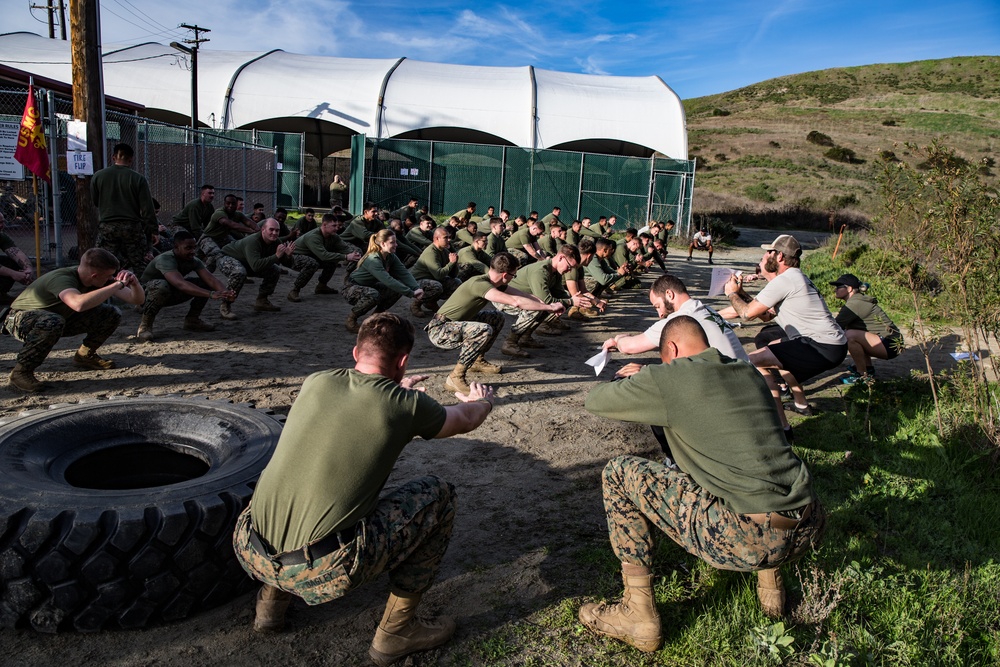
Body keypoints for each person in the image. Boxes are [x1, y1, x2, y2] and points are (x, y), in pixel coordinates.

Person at [233, 313, 495, 664]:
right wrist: (482, 401)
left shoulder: (317, 381)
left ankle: (270, 608)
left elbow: (361, 407)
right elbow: (464, 421)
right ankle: (396, 632)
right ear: (403, 361)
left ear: (357, 351)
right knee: (438, 496)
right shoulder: (406, 405)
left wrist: (397, 396)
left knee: (299, 480)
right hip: (323, 569)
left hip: (249, 548)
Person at [579, 316, 825, 652]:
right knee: (746, 461)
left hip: (747, 538)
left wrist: (648, 375)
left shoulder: (668, 378)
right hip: (808, 524)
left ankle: (638, 615)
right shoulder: (745, 371)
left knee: (620, 473)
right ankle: (772, 591)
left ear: (672, 349)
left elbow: (597, 400)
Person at [724, 234, 847, 435]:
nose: (765, 256)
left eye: (768, 252)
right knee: (768, 348)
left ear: (779, 256)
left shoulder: (786, 280)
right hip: (828, 344)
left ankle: (780, 427)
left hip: (820, 345)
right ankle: (794, 410)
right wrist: (742, 293)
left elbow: (746, 314)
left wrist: (731, 293)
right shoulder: (794, 277)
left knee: (749, 361)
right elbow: (764, 315)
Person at [3, 248, 144, 392]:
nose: (111, 278)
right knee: (53, 321)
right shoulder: (63, 278)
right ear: (94, 275)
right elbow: (78, 304)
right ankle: (20, 372)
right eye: (109, 276)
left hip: (55, 319)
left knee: (111, 313)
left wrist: (134, 284)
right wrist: (117, 285)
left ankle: (85, 356)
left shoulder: (99, 279)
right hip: (19, 319)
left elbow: (136, 299)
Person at [426, 252, 564, 392]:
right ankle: (455, 377)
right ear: (505, 275)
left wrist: (547, 304)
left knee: (496, 317)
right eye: (513, 275)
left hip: (455, 324)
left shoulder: (494, 282)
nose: (513, 278)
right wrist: (548, 307)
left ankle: (476, 361)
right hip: (440, 329)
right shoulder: (480, 284)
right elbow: (515, 302)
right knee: (483, 329)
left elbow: (523, 295)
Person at [137, 230, 235, 341]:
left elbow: (211, 280)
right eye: (188, 248)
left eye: (194, 248)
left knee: (204, 283)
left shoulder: (193, 260)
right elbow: (180, 284)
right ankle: (145, 325)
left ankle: (192, 320)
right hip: (144, 296)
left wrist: (226, 294)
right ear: (176, 247)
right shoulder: (165, 259)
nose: (193, 251)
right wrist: (211, 294)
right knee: (161, 285)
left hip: (169, 292)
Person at [493, 245, 589, 356]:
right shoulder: (541, 270)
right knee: (537, 308)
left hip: (521, 298)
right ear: (561, 258)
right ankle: (510, 343)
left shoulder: (554, 272)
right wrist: (571, 302)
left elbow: (561, 295)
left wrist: (579, 299)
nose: (569, 270)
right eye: (569, 266)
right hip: (503, 297)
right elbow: (546, 300)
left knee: (550, 304)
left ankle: (525, 337)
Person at [343, 229, 431, 333]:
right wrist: (411, 293)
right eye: (392, 242)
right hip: (351, 287)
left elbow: (403, 273)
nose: (396, 245)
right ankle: (351, 320)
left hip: (370, 285)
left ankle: (374, 319)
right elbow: (388, 280)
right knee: (373, 294)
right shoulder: (373, 259)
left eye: (395, 242)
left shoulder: (390, 256)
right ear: (383, 244)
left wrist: (416, 287)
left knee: (395, 289)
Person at [90, 143, 158, 273]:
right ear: (131, 159)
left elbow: (96, 201)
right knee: (139, 262)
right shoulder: (138, 178)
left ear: (113, 157)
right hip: (131, 226)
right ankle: (142, 289)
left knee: (103, 260)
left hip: (107, 225)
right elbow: (147, 208)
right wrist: (154, 230)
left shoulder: (98, 176)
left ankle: (104, 289)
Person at [217, 218, 301, 318]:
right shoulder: (253, 241)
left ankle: (262, 301)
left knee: (275, 270)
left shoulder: (276, 242)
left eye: (277, 230)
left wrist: (288, 255)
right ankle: (225, 305)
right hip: (226, 257)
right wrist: (276, 256)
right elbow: (256, 267)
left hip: (247, 262)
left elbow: (288, 264)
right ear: (263, 230)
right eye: (271, 229)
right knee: (239, 272)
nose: (274, 233)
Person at [830, 273, 903, 383]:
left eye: (839, 287)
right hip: (889, 342)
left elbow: (835, 327)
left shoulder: (854, 304)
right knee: (853, 334)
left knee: (850, 335)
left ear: (849, 289)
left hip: (890, 345)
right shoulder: (857, 301)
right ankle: (867, 369)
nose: (835, 290)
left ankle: (862, 375)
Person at [293, 213, 363, 295]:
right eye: (334, 226)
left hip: (313, 256)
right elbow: (324, 256)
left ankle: (321, 286)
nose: (337, 228)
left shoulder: (333, 236)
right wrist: (346, 257)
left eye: (337, 225)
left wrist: (355, 254)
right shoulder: (314, 236)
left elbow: (345, 248)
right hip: (293, 257)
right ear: (324, 225)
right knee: (312, 263)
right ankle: (295, 290)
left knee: (332, 260)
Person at [199, 194, 259, 271]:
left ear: (236, 204)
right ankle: (206, 276)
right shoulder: (219, 213)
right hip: (208, 238)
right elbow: (229, 224)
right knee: (214, 254)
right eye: (228, 203)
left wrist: (258, 230)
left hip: (223, 238)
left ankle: (240, 274)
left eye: (233, 204)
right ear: (224, 203)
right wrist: (251, 231)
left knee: (238, 250)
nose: (230, 206)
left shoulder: (238, 214)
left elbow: (248, 222)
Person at [410, 227, 461, 317]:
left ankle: (431, 302)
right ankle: (416, 304)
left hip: (432, 279)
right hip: (417, 281)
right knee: (436, 286)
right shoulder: (431, 252)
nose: (449, 240)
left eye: (449, 237)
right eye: (446, 237)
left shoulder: (444, 251)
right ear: (437, 238)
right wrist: (451, 263)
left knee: (456, 283)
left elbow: (453, 275)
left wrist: (454, 263)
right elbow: (438, 275)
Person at [0, 211, 35, 303]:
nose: (2, 225)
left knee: (12, 261)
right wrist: (13, 274)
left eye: (3, 222)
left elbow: (16, 252)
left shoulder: (1, 236)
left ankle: (1, 294)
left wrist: (28, 268)